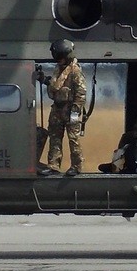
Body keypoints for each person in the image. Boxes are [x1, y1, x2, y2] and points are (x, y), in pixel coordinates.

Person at [40, 39, 86, 176]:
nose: (59, 61)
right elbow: (55, 87)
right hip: (57, 109)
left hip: (71, 109)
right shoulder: (58, 70)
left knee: (73, 140)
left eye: (61, 58)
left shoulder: (75, 71)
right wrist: (44, 80)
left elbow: (81, 92)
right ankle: (53, 165)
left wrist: (75, 111)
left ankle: (76, 166)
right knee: (54, 137)